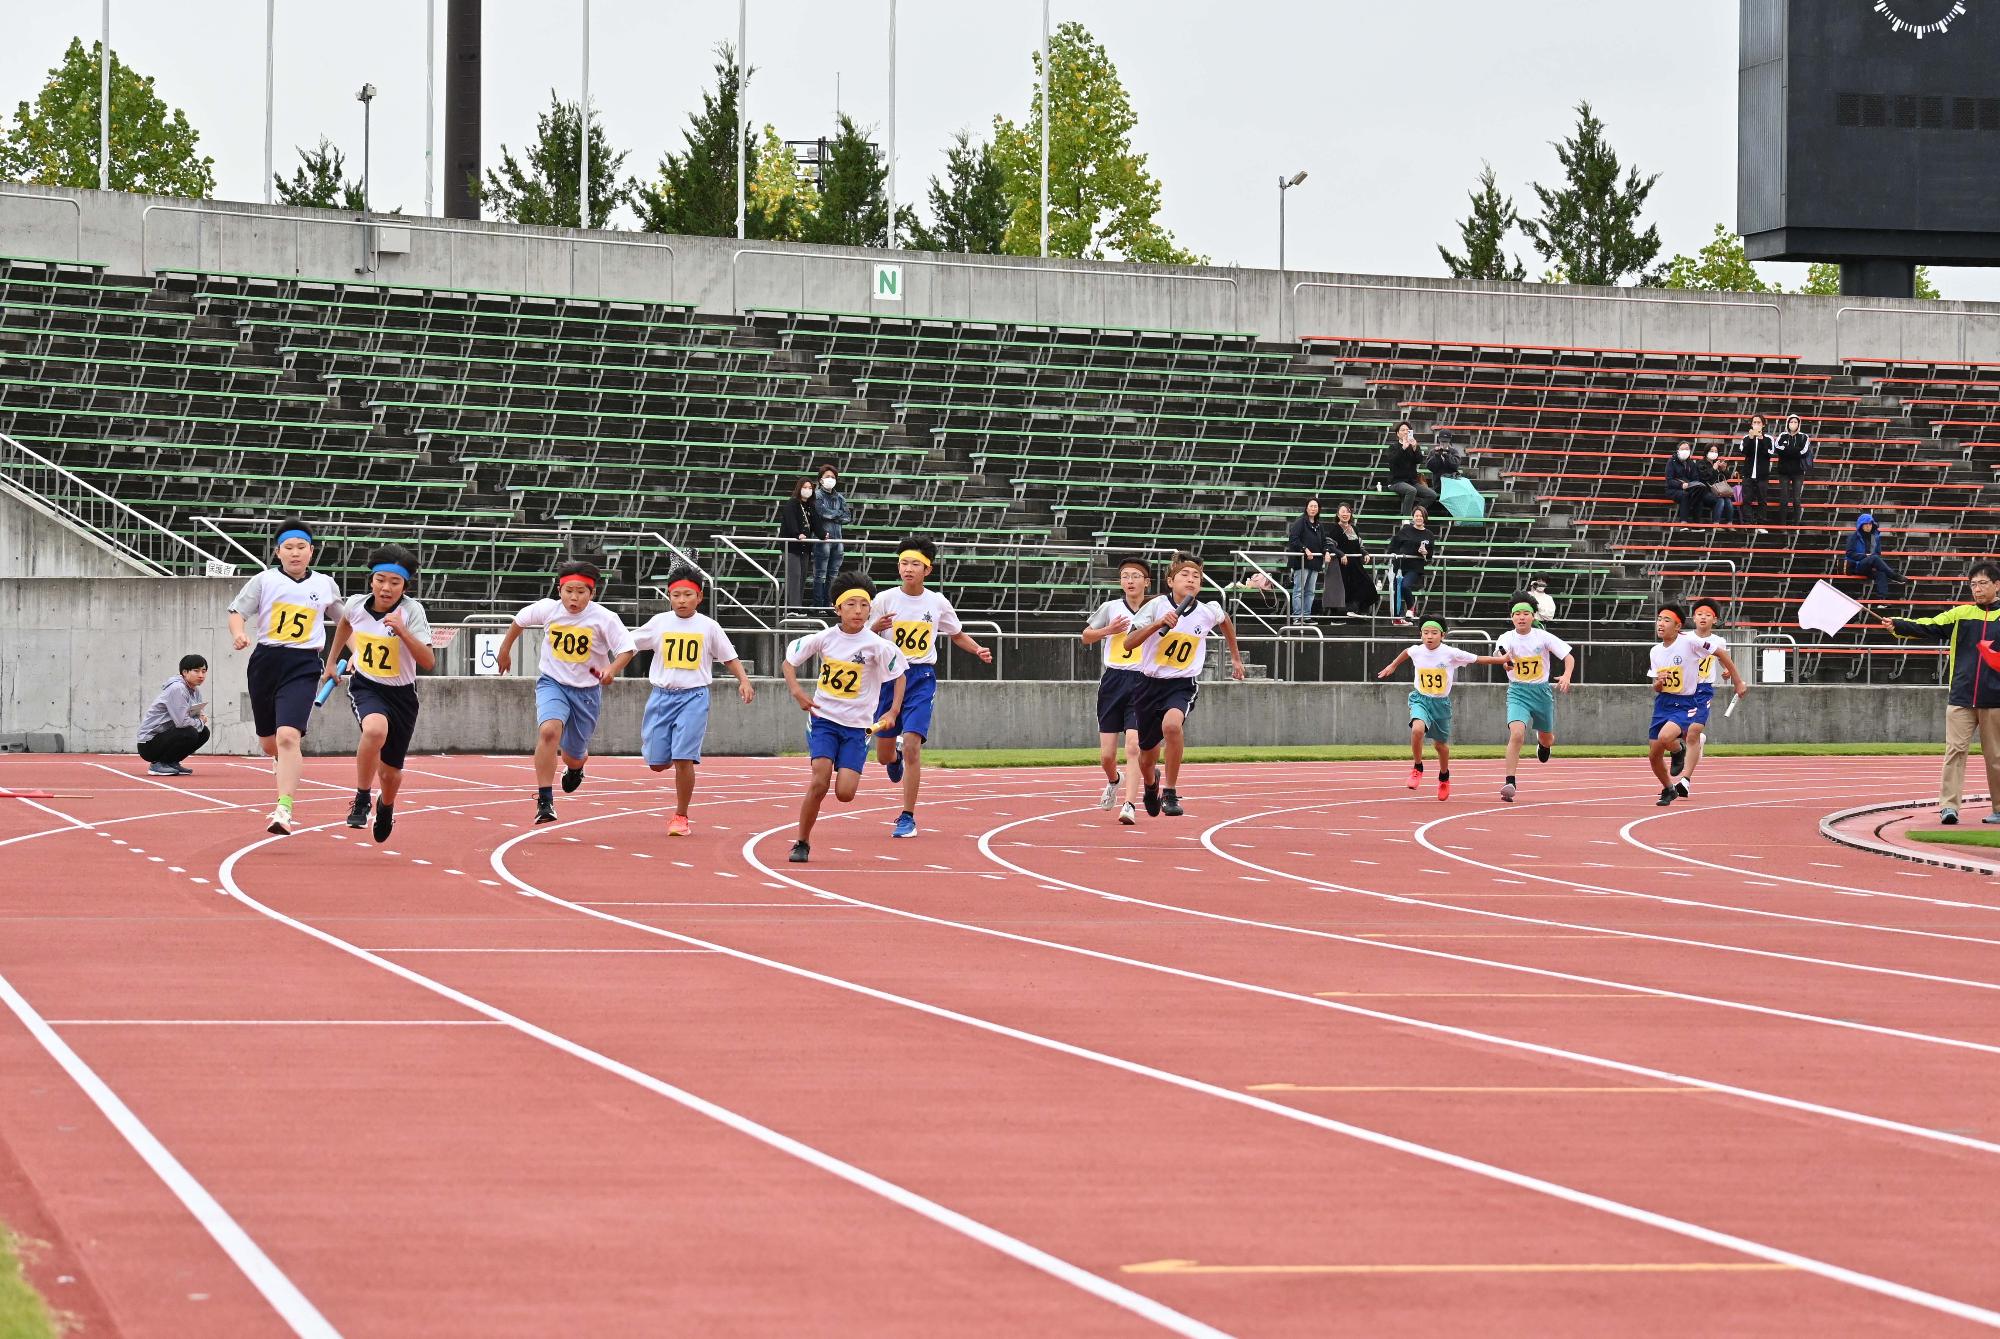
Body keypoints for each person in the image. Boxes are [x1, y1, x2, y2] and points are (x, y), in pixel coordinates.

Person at [496, 560, 638, 825]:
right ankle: (545, 800)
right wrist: (505, 650)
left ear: (592, 593)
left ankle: (575, 769)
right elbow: (519, 621)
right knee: (549, 731)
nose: (574, 597)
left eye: (581, 592)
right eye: (568, 591)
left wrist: (612, 669)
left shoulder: (604, 618)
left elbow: (627, 648)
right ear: (559, 590)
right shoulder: (548, 609)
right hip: (553, 683)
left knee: (573, 754)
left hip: (586, 692)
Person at [869, 537, 992, 839]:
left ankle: (907, 816)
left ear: (927, 569)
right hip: (887, 679)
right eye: (903, 563)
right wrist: (875, 627)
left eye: (914, 564)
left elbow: (957, 633)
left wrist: (977, 649)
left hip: (921, 677)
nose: (908, 569)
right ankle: (893, 757)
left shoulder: (937, 603)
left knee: (913, 743)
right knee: (884, 756)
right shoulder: (884, 600)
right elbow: (861, 635)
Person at [227, 518, 343, 835]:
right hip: (266, 661)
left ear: (311, 551)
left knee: (289, 736)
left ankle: (284, 809)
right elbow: (237, 612)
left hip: (304, 663)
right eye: (288, 548)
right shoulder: (264, 581)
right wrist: (239, 634)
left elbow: (346, 622)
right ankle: (279, 759)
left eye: (301, 548)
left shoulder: (324, 584)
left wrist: (346, 657)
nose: (295, 553)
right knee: (269, 743)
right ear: (278, 552)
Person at [782, 571, 907, 863]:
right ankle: (801, 841)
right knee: (820, 779)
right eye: (851, 604)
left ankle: (893, 754)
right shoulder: (824, 638)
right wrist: (797, 692)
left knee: (845, 794)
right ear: (838, 608)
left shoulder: (878, 646)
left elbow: (900, 675)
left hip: (858, 728)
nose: (858, 611)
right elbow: (789, 663)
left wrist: (893, 710)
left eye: (864, 605)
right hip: (824, 719)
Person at [320, 544, 435, 844]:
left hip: (402, 696)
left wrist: (403, 632)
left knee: (391, 774)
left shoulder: (411, 612)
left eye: (394, 583)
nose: (386, 588)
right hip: (367, 686)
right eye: (380, 579)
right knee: (374, 730)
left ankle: (386, 806)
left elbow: (428, 661)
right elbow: (344, 623)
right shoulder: (356, 605)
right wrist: (332, 662)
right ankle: (361, 797)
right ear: (371, 579)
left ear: (404, 587)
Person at [630, 562, 755, 837]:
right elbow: (628, 643)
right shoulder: (659, 623)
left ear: (699, 597)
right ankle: (663, 755)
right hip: (661, 697)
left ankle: (681, 815)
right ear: (669, 596)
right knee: (657, 763)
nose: (682, 600)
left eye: (688, 595)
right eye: (676, 595)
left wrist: (744, 681)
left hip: (694, 697)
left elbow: (729, 657)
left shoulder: (708, 627)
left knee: (683, 758)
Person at [1121, 553, 1247, 818]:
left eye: (1196, 577)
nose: (1191, 580)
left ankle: (1170, 790)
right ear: (1170, 581)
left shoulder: (1206, 610)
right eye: (1185, 575)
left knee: (1171, 726)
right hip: (1148, 686)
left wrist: (1235, 657)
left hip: (1181, 684)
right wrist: (1158, 623)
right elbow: (1129, 643)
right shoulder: (1155, 606)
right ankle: (1151, 783)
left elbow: (1225, 621)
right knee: (1147, 758)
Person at [1879, 561, 2000, 825]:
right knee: (1955, 751)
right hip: (1961, 697)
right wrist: (1899, 625)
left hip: (1996, 700)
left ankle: (1999, 809)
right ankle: (1948, 807)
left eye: (1982, 583)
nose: (1977, 589)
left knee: (1996, 756)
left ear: (1997, 585)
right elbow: (1929, 626)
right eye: (1973, 585)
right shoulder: (1960, 614)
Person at [1375, 619, 1509, 801]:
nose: (1429, 637)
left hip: (1440, 704)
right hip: (1420, 699)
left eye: (1434, 633)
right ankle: (1417, 767)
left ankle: (1444, 776)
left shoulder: (1451, 653)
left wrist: (1501, 660)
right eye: (1425, 633)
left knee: (1440, 746)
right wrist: (1393, 665)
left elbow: (1478, 659)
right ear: (1421, 634)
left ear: (1442, 635)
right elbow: (1406, 652)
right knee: (1417, 729)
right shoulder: (1417, 650)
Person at [1646, 604, 1746, 807]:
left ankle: (1678, 750)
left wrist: (1737, 681)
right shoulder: (1655, 651)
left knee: (1667, 737)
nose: (1660, 624)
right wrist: (1659, 682)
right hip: (1663, 703)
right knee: (1653, 755)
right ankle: (1668, 788)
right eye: (1659, 619)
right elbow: (1655, 687)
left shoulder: (1690, 641)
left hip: (1685, 703)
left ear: (1677, 626)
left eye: (1666, 620)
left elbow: (1721, 654)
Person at [1081, 556, 1152, 825]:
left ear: (1146, 581)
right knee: (1107, 756)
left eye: (1135, 576)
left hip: (1144, 681)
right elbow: (1085, 636)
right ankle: (1114, 779)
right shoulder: (1110, 607)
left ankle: (1130, 804)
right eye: (1125, 576)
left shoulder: (1155, 609)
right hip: (1113, 681)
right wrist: (1108, 630)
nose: (1130, 581)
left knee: (1133, 746)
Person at [1495, 601, 1575, 802]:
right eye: (1517, 614)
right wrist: (1505, 663)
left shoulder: (1543, 637)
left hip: (1541, 693)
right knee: (1517, 733)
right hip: (1517, 692)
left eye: (1525, 613)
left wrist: (1566, 675)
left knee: (1547, 738)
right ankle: (1510, 781)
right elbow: (1500, 655)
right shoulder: (1506, 638)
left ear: (1533, 617)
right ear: (1512, 617)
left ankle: (1543, 745)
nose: (1521, 617)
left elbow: (1568, 656)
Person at [135, 654, 210, 776]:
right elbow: (182, 722)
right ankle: (158, 764)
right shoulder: (177, 688)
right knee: (190, 732)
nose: (201, 675)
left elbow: (194, 715)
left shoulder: (195, 691)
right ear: (184, 672)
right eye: (196, 671)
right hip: (149, 743)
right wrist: (200, 721)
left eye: (204, 671)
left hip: (167, 735)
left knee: (203, 732)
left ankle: (171, 762)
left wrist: (200, 720)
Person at [775, 476, 823, 613]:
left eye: (810, 488)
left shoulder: (810, 506)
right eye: (805, 487)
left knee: (802, 576)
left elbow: (816, 524)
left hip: (805, 547)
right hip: (792, 546)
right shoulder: (792, 503)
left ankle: (797, 607)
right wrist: (797, 534)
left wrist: (822, 534)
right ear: (799, 488)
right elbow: (790, 522)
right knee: (794, 576)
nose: (807, 490)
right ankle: (792, 608)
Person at [1321, 502, 1377, 618]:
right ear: (1338, 514)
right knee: (1346, 591)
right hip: (1343, 565)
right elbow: (1330, 545)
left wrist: (1365, 553)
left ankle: (1359, 610)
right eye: (1342, 512)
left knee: (1369, 586)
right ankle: (1349, 612)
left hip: (1356, 565)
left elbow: (1359, 546)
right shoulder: (1335, 529)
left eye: (1347, 512)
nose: (1345, 514)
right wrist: (1341, 554)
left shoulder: (1354, 529)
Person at [810, 462, 853, 606]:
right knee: (820, 575)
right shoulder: (816, 495)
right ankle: (818, 605)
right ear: (820, 479)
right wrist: (838, 514)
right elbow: (822, 513)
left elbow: (848, 517)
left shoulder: (840, 498)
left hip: (838, 540)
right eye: (827, 476)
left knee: (833, 575)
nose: (830, 479)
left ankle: (829, 604)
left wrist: (834, 515)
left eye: (833, 477)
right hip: (822, 540)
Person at [1387, 505, 1437, 625]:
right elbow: (1394, 544)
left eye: (1421, 516)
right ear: (1413, 517)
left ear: (1425, 518)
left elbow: (1430, 555)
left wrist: (1425, 553)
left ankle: (1411, 608)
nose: (1418, 518)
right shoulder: (1405, 530)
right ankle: (1397, 618)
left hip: (1415, 566)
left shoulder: (1429, 534)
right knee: (1396, 591)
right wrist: (1394, 554)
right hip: (1399, 565)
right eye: (1416, 516)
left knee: (1405, 586)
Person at [1285, 499, 1327, 621]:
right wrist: (1305, 549)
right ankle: (1297, 616)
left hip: (1315, 562)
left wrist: (1327, 551)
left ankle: (1307, 616)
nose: (1313, 508)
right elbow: (1293, 539)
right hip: (1301, 562)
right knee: (1299, 590)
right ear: (1306, 507)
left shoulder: (1319, 525)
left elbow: (1324, 542)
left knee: (1310, 591)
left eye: (1316, 506)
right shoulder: (1300, 521)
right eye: (1311, 506)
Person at [1385, 421, 1439, 514]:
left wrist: (1415, 448)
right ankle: (1406, 518)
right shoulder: (1393, 447)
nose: (1406, 432)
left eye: (1408, 430)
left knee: (1432, 495)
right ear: (1398, 434)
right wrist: (1403, 449)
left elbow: (1419, 460)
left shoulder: (1413, 446)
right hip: (1396, 481)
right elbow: (1392, 461)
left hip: (1412, 481)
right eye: (1403, 430)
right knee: (1411, 490)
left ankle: (1414, 511)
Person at [1845, 512, 1902, 599]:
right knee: (1874, 557)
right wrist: (1865, 556)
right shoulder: (1853, 537)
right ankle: (1893, 575)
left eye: (1870, 524)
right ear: (1861, 525)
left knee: (1881, 573)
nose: (1868, 526)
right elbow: (1849, 553)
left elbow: (1878, 553)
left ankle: (1882, 600)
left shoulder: (1875, 537)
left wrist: (1873, 562)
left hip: (1871, 565)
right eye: (1866, 524)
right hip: (1857, 565)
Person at [1739, 415, 1776, 531]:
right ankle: (1748, 523)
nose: (1756, 424)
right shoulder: (1746, 437)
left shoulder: (1768, 438)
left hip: (1762, 475)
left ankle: (1761, 524)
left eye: (1759, 422)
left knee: (1762, 500)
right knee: (1747, 499)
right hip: (1748, 474)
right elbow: (1744, 451)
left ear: (1763, 425)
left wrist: (1761, 439)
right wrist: (1750, 439)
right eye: (1754, 422)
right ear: (1751, 424)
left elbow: (1769, 453)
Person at [1774, 415, 1811, 526]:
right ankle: (1782, 524)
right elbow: (1777, 448)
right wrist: (1795, 451)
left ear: (1799, 424)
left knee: (1796, 499)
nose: (1793, 424)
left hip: (1798, 472)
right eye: (1791, 422)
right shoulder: (1782, 435)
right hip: (1783, 472)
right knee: (1784, 498)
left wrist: (1787, 450)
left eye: (1795, 422)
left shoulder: (1804, 436)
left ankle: (1796, 524)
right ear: (1788, 423)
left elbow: (1804, 452)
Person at [1665, 442, 1704, 523]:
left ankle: (1696, 523)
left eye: (1687, 449)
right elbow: (1669, 480)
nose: (1685, 451)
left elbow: (1695, 478)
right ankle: (1683, 521)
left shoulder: (1691, 463)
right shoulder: (1671, 462)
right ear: (1678, 450)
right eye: (1682, 449)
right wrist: (1681, 485)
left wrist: (1692, 484)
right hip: (1673, 489)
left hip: (1689, 488)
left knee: (1699, 496)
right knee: (1684, 495)